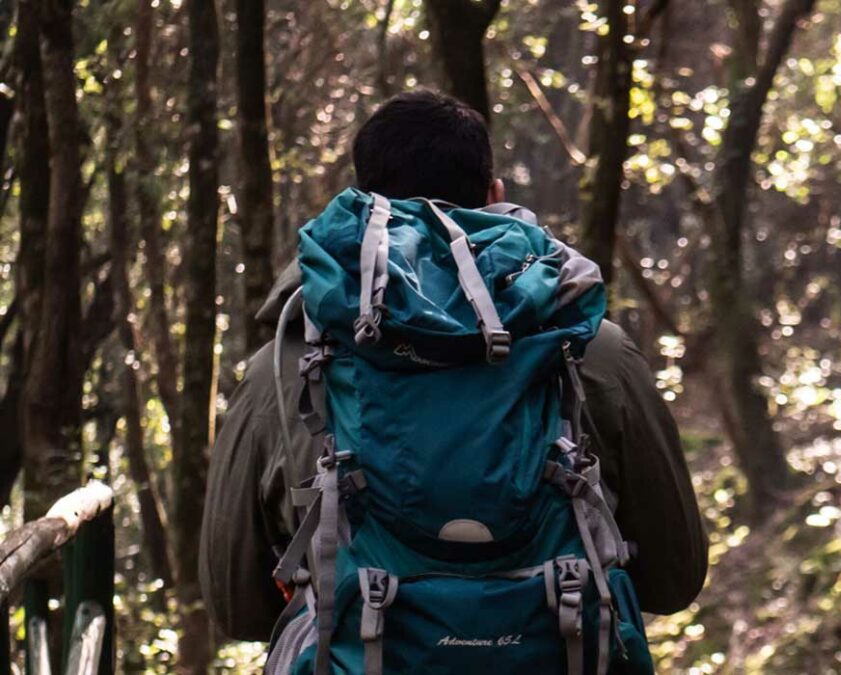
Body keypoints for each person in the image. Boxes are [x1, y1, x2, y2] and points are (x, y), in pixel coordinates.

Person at [198, 90, 707, 642]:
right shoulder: (592, 350)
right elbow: (673, 578)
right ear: (494, 196)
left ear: (361, 208)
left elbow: (236, 607)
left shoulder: (283, 368)